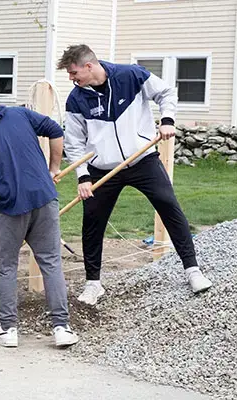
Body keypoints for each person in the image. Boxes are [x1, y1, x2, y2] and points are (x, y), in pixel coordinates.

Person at [57, 44, 213, 305]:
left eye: (74, 73)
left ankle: (193, 270)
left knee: (169, 205)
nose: (71, 79)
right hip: (102, 168)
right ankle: (93, 284)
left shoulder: (131, 75)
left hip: (141, 159)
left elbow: (166, 93)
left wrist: (167, 120)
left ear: (89, 66)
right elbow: (73, 143)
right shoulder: (76, 99)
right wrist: (83, 177)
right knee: (92, 223)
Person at [0, 87, 79, 349]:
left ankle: (8, 329)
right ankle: (62, 328)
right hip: (45, 198)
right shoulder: (19, 114)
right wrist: (53, 169)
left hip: (9, 208)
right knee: (51, 262)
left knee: (7, 266)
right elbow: (56, 130)